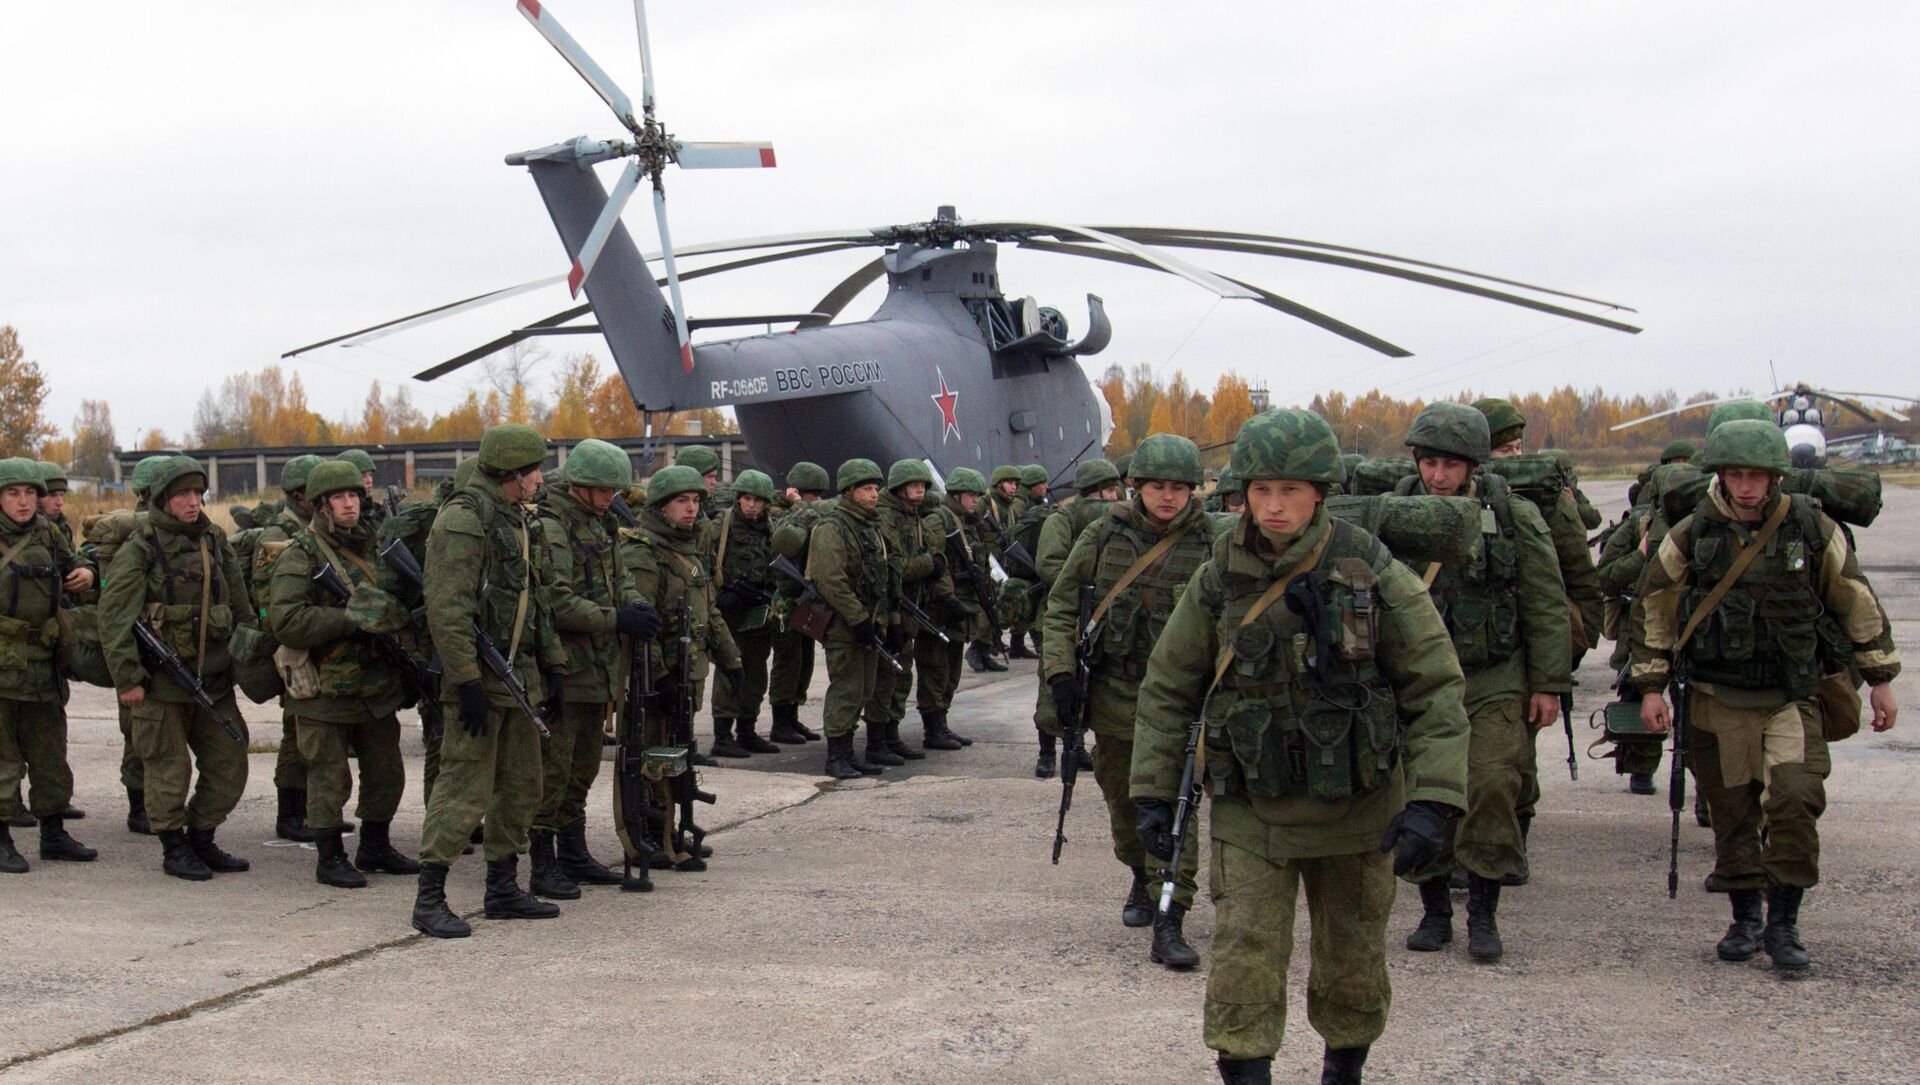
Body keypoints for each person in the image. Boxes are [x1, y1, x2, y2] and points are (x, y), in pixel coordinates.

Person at [1131, 410, 1469, 1085]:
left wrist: (1434, 798)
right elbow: (1169, 685)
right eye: (1260, 490)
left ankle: (1344, 1072)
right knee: (1243, 961)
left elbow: (1433, 685)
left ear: (1321, 491)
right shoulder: (1221, 572)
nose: (1274, 506)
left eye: (1290, 490)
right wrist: (1152, 789)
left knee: (1353, 964)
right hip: (1252, 808)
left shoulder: (1368, 565)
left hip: (1359, 811)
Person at [1632, 420, 1900, 972]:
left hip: (1790, 697)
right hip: (1716, 697)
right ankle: (1744, 917)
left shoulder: (1810, 526)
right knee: (1732, 815)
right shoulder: (1692, 533)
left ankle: (1783, 924)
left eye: (1757, 475)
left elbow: (1853, 597)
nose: (1747, 486)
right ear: (1721, 476)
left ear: (1776, 476)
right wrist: (1651, 688)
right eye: (1736, 474)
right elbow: (1655, 606)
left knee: (1796, 801)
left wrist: (1880, 678)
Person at [1395, 403, 1569, 961]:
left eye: (1450, 465)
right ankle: (1435, 911)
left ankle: (1483, 912)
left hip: (1494, 676)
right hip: (1420, 683)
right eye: (1429, 463)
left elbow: (1545, 601)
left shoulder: (1513, 516)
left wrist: (1547, 684)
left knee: (1492, 785)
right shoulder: (1395, 516)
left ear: (1473, 465)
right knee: (1426, 790)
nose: (1438, 476)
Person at [1043, 434, 1213, 969]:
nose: (1169, 497)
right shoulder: (1103, 534)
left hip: (1182, 699)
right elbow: (1061, 604)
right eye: (1157, 486)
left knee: (1175, 801)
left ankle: (1170, 916)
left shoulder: (1214, 540)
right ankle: (1140, 873)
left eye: (1179, 488)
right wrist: (1061, 673)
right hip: (1116, 693)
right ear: (1136, 487)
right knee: (1124, 802)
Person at [410, 424, 567, 939]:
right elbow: (447, 608)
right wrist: (466, 681)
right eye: (534, 471)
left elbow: (536, 599)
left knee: (523, 786)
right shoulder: (464, 518)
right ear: (511, 475)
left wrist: (554, 665)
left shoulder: (518, 519)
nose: (541, 479)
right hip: (477, 677)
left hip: (518, 675)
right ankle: (430, 898)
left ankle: (502, 888)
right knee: (463, 789)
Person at [265, 460, 421, 888]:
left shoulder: (373, 546)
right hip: (325, 690)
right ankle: (330, 856)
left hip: (375, 686)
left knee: (387, 774)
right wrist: (350, 619)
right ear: (321, 505)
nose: (349, 503)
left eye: (354, 495)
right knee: (328, 778)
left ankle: (375, 846)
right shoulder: (302, 553)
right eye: (339, 497)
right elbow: (287, 620)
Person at [98, 455, 255, 881]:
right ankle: (173, 846)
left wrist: (249, 653)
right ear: (163, 499)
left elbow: (240, 604)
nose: (192, 502)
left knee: (230, 759)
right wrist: (128, 680)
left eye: (197, 493)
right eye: (182, 494)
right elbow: (114, 619)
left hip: (213, 681)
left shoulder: (214, 540)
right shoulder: (141, 548)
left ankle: (202, 837)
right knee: (168, 768)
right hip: (161, 684)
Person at [528, 440, 662, 899]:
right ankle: (542, 860)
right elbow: (557, 601)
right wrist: (616, 619)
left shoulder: (600, 524)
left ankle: (573, 850)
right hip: (563, 668)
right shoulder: (554, 528)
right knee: (554, 769)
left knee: (583, 767)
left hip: (597, 669)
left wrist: (637, 605)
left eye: (614, 491)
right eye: (604, 490)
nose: (611, 498)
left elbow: (620, 579)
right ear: (580, 487)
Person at [618, 465, 739, 868]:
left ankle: (670, 831)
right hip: (654, 680)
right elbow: (643, 623)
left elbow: (708, 609)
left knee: (675, 756)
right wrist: (659, 677)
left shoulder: (688, 549)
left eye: (696, 501)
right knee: (648, 759)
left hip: (687, 674)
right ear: (660, 506)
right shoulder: (643, 552)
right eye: (681, 501)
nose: (691, 509)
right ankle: (645, 836)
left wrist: (731, 658)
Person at [0, 457, 98, 873]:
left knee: (51, 754)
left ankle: (54, 834)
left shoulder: (47, 532)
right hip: (4, 666)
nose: (24, 502)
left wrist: (86, 573)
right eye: (13, 493)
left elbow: (75, 564)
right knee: (4, 758)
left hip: (45, 662)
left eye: (30, 493)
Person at [82, 453, 173, 835]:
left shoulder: (146, 530)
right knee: (138, 731)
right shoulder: (129, 533)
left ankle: (148, 804)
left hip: (153, 643)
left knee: (144, 731)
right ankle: (140, 807)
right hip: (138, 643)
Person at [248, 452, 331, 843]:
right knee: (295, 732)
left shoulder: (315, 528)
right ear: (300, 494)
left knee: (316, 734)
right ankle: (290, 813)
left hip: (316, 641)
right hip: (292, 645)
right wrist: (282, 634)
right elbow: (265, 597)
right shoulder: (278, 533)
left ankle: (315, 810)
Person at [1029, 458, 1122, 778]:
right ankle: (1046, 752)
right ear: (1093, 491)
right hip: (1064, 610)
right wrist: (1082, 583)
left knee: (1085, 682)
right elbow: (1049, 565)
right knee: (1052, 683)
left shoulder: (1115, 519)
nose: (1114, 496)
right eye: (1109, 490)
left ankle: (1077, 745)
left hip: (1099, 613)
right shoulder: (1062, 519)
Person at [809, 459, 899, 780]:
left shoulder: (870, 527)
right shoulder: (832, 527)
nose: (874, 495)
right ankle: (836, 756)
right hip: (843, 625)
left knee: (864, 690)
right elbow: (830, 580)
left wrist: (885, 620)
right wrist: (859, 619)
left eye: (876, 488)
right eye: (866, 489)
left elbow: (883, 579)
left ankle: (848, 753)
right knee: (846, 689)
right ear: (849, 491)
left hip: (868, 622)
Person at [862, 460, 947, 762]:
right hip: (888, 609)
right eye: (914, 485)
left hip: (908, 607)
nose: (920, 490)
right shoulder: (887, 518)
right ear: (899, 488)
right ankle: (877, 741)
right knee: (885, 677)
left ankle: (891, 734)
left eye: (923, 485)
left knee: (901, 675)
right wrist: (930, 564)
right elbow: (897, 568)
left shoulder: (913, 517)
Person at [707, 469, 781, 758]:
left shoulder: (770, 528)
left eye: (757, 500)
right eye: (747, 499)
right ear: (738, 498)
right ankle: (723, 735)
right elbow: (703, 560)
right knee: (730, 670)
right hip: (730, 612)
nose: (751, 505)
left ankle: (747, 730)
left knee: (756, 674)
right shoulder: (722, 525)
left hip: (758, 612)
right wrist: (722, 595)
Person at [922, 468, 992, 738]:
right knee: (936, 667)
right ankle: (933, 726)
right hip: (941, 606)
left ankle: (942, 721)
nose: (975, 500)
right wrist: (949, 597)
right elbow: (936, 563)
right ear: (956, 495)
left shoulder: (967, 522)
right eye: (971, 495)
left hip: (962, 604)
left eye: (977, 495)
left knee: (951, 669)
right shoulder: (939, 519)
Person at [766, 461, 830, 744]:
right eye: (810, 495)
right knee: (787, 662)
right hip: (785, 601)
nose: (815, 500)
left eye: (818, 495)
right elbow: (785, 540)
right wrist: (800, 506)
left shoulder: (805, 512)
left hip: (805, 599)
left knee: (804, 661)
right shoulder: (780, 512)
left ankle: (792, 716)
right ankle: (780, 721)